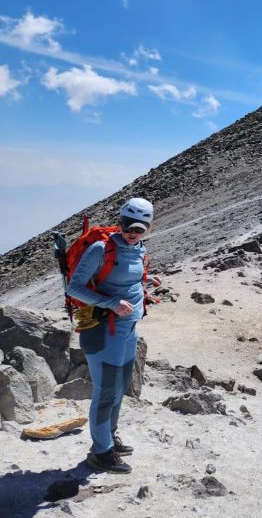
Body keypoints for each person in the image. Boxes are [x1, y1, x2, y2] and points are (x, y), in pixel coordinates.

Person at [66, 197, 161, 474]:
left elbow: (123, 275)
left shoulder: (138, 248)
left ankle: (109, 437)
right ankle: (100, 452)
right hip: (103, 329)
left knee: (120, 387)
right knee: (106, 390)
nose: (132, 233)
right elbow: (75, 288)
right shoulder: (100, 248)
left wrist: (146, 278)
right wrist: (111, 304)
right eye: (127, 226)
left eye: (139, 229)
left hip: (128, 328)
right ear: (119, 222)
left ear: (148, 228)